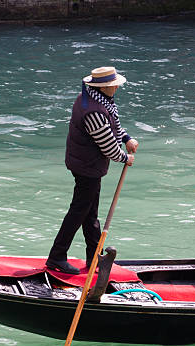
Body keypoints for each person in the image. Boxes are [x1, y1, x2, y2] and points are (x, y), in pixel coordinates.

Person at [46, 66, 138, 274]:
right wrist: (126, 157)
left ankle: (94, 258)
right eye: (113, 84)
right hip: (87, 167)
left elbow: (112, 127)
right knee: (80, 212)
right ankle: (57, 256)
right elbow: (108, 147)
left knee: (89, 213)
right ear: (104, 87)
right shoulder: (94, 112)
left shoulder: (92, 99)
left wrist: (126, 138)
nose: (116, 87)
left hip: (86, 164)